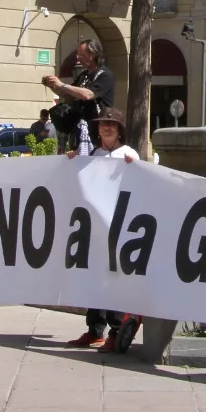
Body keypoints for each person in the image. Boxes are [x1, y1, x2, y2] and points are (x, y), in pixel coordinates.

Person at [65, 107, 143, 351]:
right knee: (94, 278)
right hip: (95, 225)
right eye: (102, 124)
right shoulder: (94, 153)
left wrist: (134, 167)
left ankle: (116, 331)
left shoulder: (129, 154)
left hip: (119, 225)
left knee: (113, 279)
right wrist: (71, 161)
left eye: (111, 124)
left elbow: (142, 184)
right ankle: (94, 330)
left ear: (119, 130)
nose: (106, 127)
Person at [42, 39, 114, 153]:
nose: (78, 57)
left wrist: (61, 84)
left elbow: (87, 94)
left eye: (82, 54)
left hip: (97, 129)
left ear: (93, 54)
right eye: (77, 54)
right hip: (79, 128)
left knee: (94, 160)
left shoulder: (105, 75)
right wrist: (52, 85)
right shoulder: (83, 75)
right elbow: (66, 93)